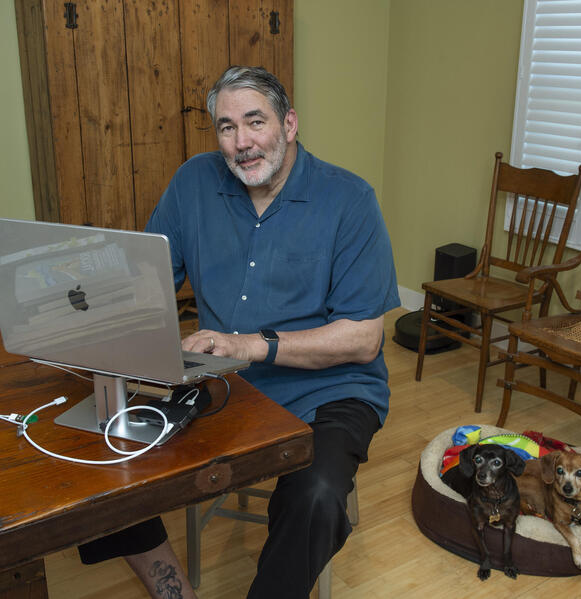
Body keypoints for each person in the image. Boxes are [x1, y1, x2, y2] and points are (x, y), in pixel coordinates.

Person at [78, 65, 399, 599]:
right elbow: (147, 280)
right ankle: (175, 592)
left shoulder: (350, 200)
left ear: (290, 124)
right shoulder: (194, 181)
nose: (242, 143)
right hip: (221, 384)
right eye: (227, 127)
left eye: (256, 122)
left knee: (316, 495)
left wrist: (249, 345)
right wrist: (89, 292)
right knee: (103, 447)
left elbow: (363, 338)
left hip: (331, 391)